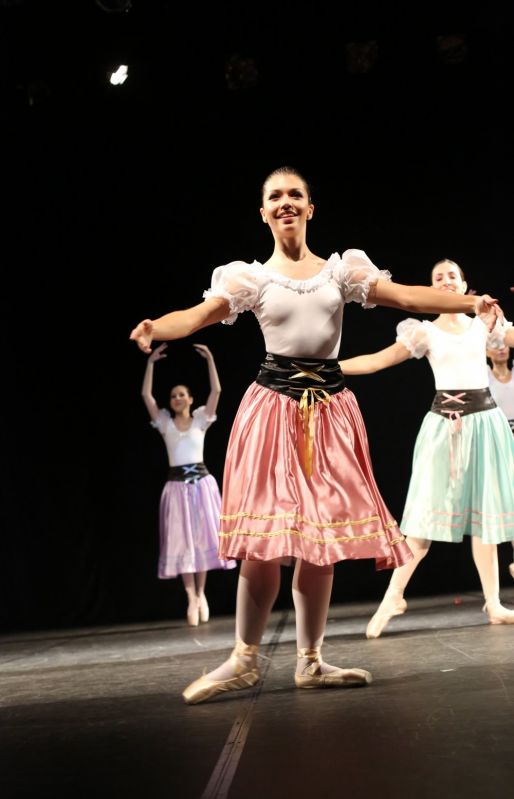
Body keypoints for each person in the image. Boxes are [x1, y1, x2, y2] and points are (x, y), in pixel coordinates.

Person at [130, 167, 501, 704]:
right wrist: (155, 328)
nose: (285, 202)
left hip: (329, 411)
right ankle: (243, 658)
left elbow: (409, 299)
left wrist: (469, 303)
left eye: (295, 195)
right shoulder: (251, 279)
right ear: (263, 212)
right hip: (273, 411)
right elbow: (195, 316)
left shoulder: (339, 272)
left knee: (319, 543)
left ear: (310, 208)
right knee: (265, 543)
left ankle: (310, 660)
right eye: (274, 196)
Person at [339, 259, 514, 639]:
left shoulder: (484, 326)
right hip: (444, 428)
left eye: (453, 275)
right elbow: (375, 362)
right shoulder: (425, 332)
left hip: (486, 423)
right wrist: (328, 368)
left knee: (486, 518)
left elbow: (511, 339)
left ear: (466, 283)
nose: (446, 281)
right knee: (421, 518)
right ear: (431, 288)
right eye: (438, 277)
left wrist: (492, 315)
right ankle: (393, 597)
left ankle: (494, 602)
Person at [141, 341, 236, 627]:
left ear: (191, 399)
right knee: (182, 541)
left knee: (202, 538)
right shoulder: (165, 423)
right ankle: (191, 595)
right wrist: (150, 364)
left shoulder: (200, 421)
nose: (177, 398)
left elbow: (217, 391)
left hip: (202, 485)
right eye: (173, 395)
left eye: (182, 394)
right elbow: (145, 394)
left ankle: (202, 593)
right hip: (177, 488)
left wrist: (210, 360)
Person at [486, 339, 514, 578]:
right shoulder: (485, 376)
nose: (501, 348)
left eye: (503, 344)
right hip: (497, 443)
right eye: (495, 345)